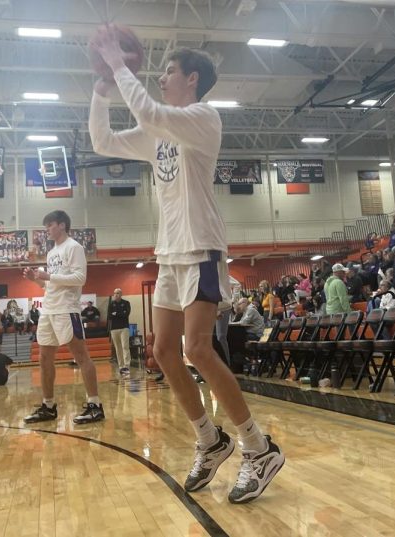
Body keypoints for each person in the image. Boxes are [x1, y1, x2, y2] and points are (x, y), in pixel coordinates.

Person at [89, 31, 283, 503]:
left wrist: (118, 64)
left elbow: (151, 113)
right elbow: (103, 140)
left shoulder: (202, 117)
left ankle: (259, 448)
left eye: (169, 70)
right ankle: (209, 440)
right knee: (163, 353)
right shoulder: (158, 132)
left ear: (192, 78)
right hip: (170, 253)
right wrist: (101, 89)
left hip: (202, 248)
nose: (161, 76)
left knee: (198, 348)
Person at [22, 210, 103, 425]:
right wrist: (36, 280)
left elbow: (79, 278)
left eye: (50, 225)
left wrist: (48, 276)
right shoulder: (51, 253)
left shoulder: (74, 247)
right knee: (44, 358)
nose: (47, 229)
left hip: (67, 309)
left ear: (62, 225)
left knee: (80, 355)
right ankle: (48, 406)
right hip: (48, 309)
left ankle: (95, 405)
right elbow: (51, 284)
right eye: (46, 225)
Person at [106, 289, 132, 376]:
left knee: (125, 346)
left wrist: (116, 314)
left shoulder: (126, 303)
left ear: (121, 294)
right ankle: (121, 366)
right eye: (114, 293)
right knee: (118, 348)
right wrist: (120, 313)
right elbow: (109, 316)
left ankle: (127, 366)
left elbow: (126, 314)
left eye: (117, 293)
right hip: (114, 329)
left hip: (124, 328)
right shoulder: (111, 304)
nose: (116, 295)